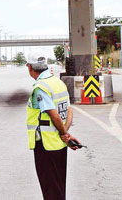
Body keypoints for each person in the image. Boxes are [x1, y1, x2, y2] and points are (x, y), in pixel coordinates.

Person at [25, 57, 81, 200]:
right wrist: (65, 135)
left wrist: (64, 133)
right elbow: (69, 110)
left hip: (45, 145)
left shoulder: (41, 88)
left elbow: (54, 114)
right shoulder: (58, 83)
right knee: (58, 187)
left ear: (30, 67)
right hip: (59, 144)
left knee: (50, 189)